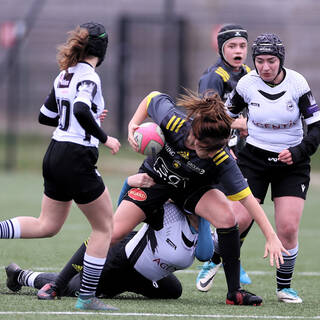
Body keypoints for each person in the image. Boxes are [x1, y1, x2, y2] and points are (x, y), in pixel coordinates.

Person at [111, 89, 288, 306]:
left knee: (226, 218)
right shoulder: (175, 123)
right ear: (196, 138)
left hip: (191, 190)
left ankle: (235, 292)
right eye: (211, 148)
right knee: (114, 232)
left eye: (219, 148)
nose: (215, 153)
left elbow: (249, 200)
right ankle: (66, 280)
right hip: (158, 180)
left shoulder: (220, 158)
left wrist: (271, 236)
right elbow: (151, 98)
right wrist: (132, 124)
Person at [0, 22, 121, 311]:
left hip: (54, 152)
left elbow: (45, 115)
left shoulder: (64, 74)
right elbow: (79, 109)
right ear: (102, 50)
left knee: (47, 225)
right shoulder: (90, 76)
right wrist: (105, 138)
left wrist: (87, 115)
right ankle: (86, 298)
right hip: (76, 156)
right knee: (106, 228)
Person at [5, 173, 214, 300]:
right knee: (74, 288)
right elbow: (124, 209)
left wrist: (204, 217)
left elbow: (205, 254)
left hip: (146, 277)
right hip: (121, 263)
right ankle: (21, 275)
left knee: (174, 291)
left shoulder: (204, 224)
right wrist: (129, 182)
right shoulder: (167, 211)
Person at [225, 33, 320, 303]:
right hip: (253, 160)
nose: (265, 67)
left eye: (271, 61)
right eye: (259, 61)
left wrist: (300, 151)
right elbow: (224, 118)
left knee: (288, 228)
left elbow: (316, 128)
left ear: (281, 61)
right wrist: (226, 146)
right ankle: (217, 259)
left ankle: (284, 287)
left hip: (291, 163)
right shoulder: (246, 84)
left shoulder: (298, 83)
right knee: (238, 220)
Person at [196, 24, 252, 291]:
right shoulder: (214, 77)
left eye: (242, 46)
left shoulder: (250, 74)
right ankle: (210, 257)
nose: (238, 51)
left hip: (241, 152)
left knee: (246, 209)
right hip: (217, 151)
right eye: (232, 46)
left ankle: (227, 257)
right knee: (227, 209)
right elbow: (208, 116)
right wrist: (236, 125)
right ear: (221, 49)